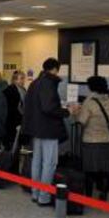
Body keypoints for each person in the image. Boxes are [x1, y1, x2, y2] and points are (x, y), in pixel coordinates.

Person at [23, 58, 78, 206]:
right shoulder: (49, 83)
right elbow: (49, 107)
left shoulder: (34, 83)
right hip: (48, 129)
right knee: (50, 163)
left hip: (35, 129)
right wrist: (67, 111)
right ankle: (44, 196)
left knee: (37, 161)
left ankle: (35, 193)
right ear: (55, 69)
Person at [78, 76, 109, 201]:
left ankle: (88, 196)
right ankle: (104, 193)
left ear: (91, 87)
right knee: (105, 169)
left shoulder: (89, 102)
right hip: (107, 141)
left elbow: (82, 121)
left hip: (90, 141)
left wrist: (76, 113)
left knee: (89, 169)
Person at [3, 70, 26, 151]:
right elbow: (11, 109)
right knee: (12, 146)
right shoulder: (10, 90)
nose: (23, 81)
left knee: (17, 147)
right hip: (12, 123)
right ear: (15, 80)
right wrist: (17, 123)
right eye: (21, 78)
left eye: (24, 78)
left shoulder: (23, 89)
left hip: (20, 121)